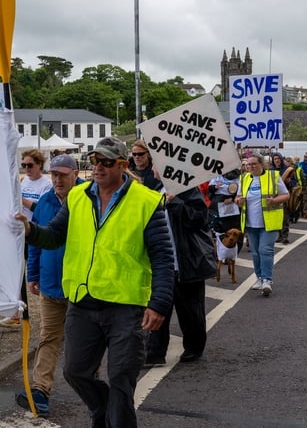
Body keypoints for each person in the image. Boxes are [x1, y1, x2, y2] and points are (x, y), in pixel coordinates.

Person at [15, 137, 174, 428]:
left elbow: (164, 257)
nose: (98, 167)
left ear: (123, 166)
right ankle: (102, 408)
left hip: (126, 307)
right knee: (75, 372)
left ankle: (115, 419)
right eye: (94, 160)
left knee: (121, 380)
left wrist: (159, 303)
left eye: (107, 162)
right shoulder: (78, 197)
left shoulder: (147, 202)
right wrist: (29, 230)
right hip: (83, 302)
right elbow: (53, 236)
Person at [15, 154, 82, 418]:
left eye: (63, 174)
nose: (57, 179)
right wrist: (33, 274)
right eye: (54, 174)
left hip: (81, 286)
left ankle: (92, 384)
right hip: (51, 284)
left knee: (83, 341)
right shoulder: (45, 202)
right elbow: (36, 240)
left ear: (76, 174)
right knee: (48, 338)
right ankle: (40, 391)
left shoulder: (88, 201)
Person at [145, 186, 216, 366]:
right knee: (158, 307)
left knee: (191, 311)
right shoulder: (151, 188)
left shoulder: (188, 190)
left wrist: (175, 202)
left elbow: (200, 218)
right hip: (160, 264)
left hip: (186, 263)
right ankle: (155, 352)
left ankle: (194, 348)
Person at [0, 148, 53, 328]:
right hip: (20, 233)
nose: (27, 169)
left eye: (30, 165)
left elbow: (41, 209)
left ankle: (49, 314)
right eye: (24, 165)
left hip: (37, 232)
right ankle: (16, 314)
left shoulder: (46, 185)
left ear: (40, 165)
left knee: (38, 273)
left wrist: (22, 200)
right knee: (16, 273)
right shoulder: (23, 181)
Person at [235, 153, 289, 296]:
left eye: (254, 164)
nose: (251, 167)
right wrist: (238, 201)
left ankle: (267, 280)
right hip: (251, 223)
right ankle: (259, 278)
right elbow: (239, 197)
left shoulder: (273, 176)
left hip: (269, 222)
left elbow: (286, 195)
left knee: (265, 250)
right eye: (248, 165)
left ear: (261, 164)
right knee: (255, 253)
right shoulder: (244, 178)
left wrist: (275, 201)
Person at [270, 152, 294, 244]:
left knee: (284, 217)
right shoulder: (270, 170)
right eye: (275, 159)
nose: (277, 160)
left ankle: (285, 236)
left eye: (278, 158)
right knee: (277, 217)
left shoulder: (287, 170)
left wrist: (289, 182)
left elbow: (294, 183)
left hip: (284, 196)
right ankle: (279, 235)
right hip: (274, 196)